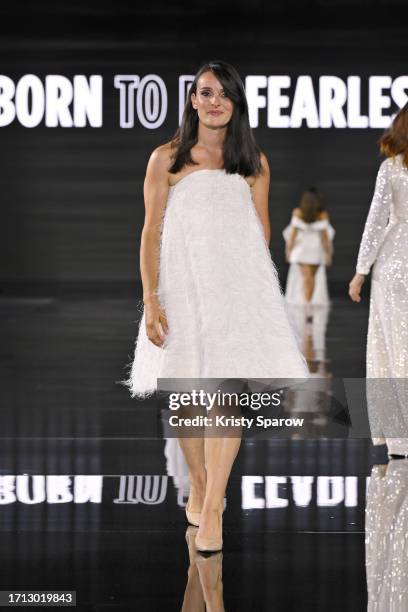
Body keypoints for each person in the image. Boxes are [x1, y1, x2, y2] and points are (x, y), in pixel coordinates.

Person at [121, 60, 309, 553]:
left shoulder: (254, 162)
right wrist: (151, 297)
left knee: (226, 395)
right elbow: (151, 231)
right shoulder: (167, 159)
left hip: (235, 289)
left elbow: (262, 232)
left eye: (223, 93)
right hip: (182, 287)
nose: (214, 101)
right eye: (205, 92)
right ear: (192, 100)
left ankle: (214, 506)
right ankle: (201, 487)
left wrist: (250, 290)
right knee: (185, 395)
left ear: (235, 101)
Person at [349, 102, 408, 455]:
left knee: (389, 347)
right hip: (394, 262)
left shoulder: (391, 168)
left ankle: (398, 437)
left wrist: (360, 271)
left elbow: (376, 222)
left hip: (394, 261)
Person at [283, 187, 335, 307]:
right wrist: (328, 254)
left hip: (305, 250)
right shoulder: (321, 214)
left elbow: (292, 236)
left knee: (309, 278)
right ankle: (307, 305)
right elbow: (325, 237)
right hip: (313, 251)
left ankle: (307, 305)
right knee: (309, 278)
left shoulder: (300, 212)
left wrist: (288, 252)